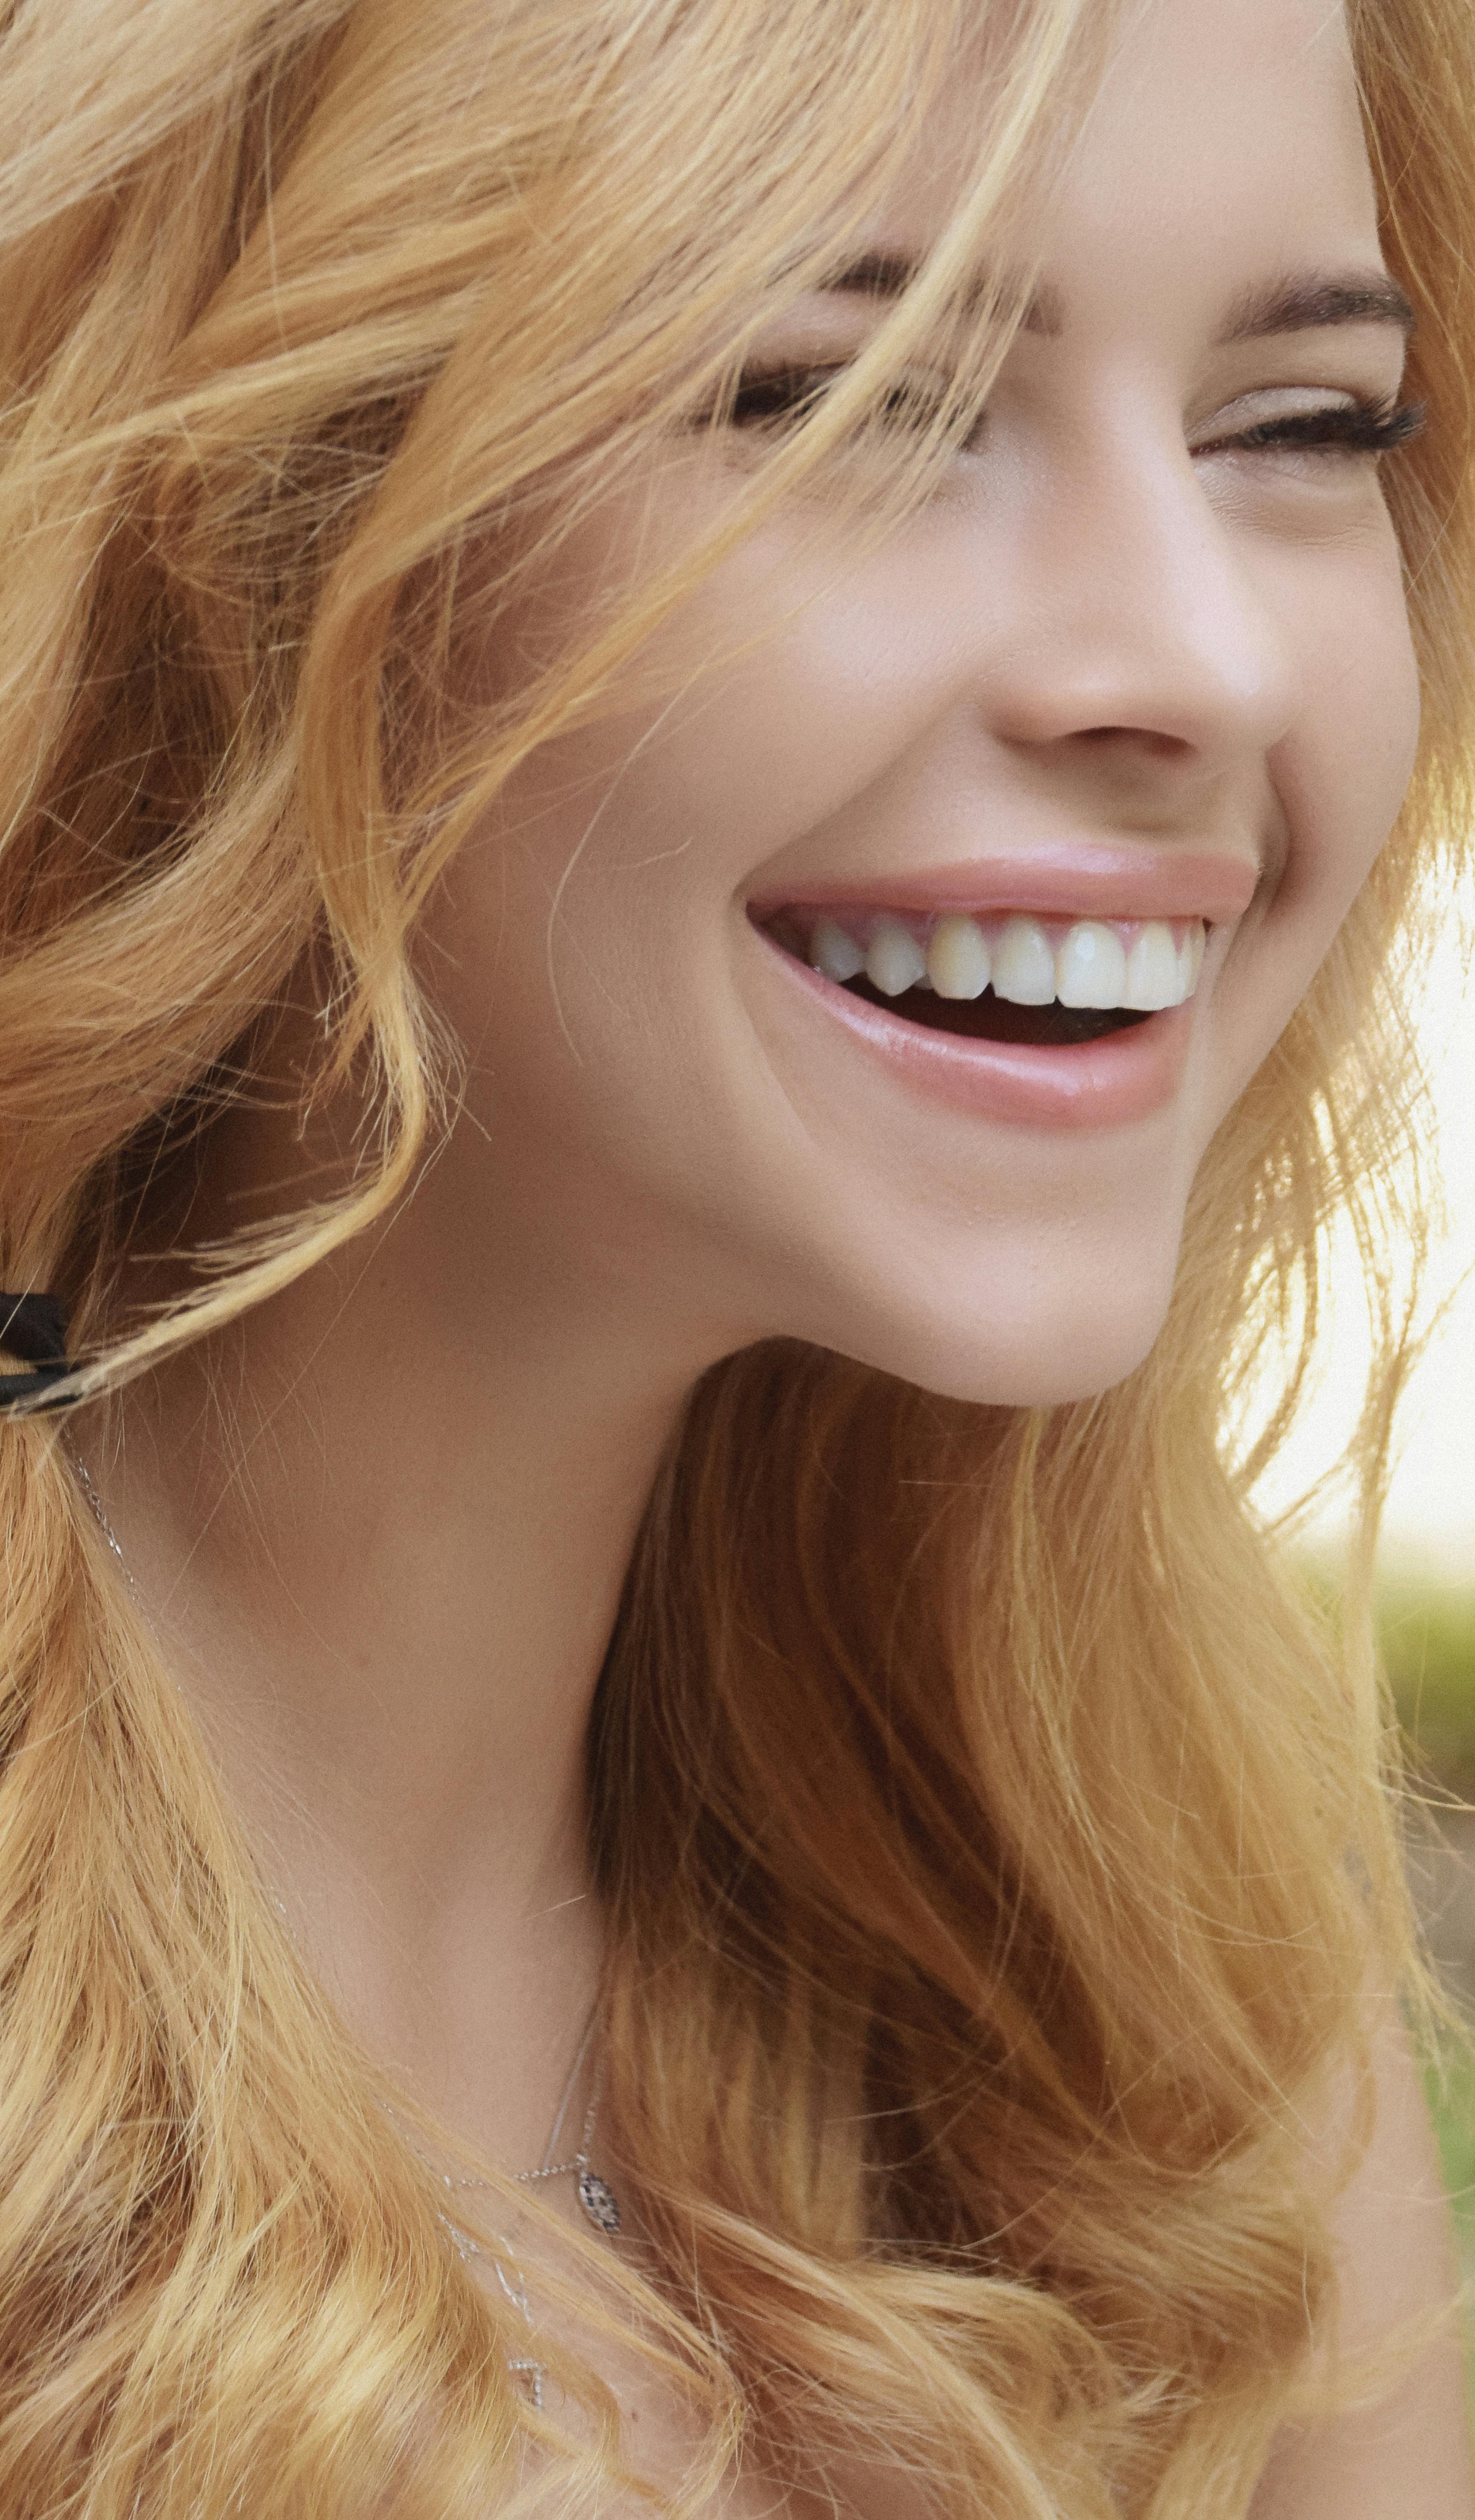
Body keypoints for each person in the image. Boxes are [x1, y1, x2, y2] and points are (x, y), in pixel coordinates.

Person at [0, 0, 1472, 2510]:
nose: (1203, 667)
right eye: (847, 393)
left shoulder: (1149, 1972)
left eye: (1302, 427)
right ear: (237, 520)